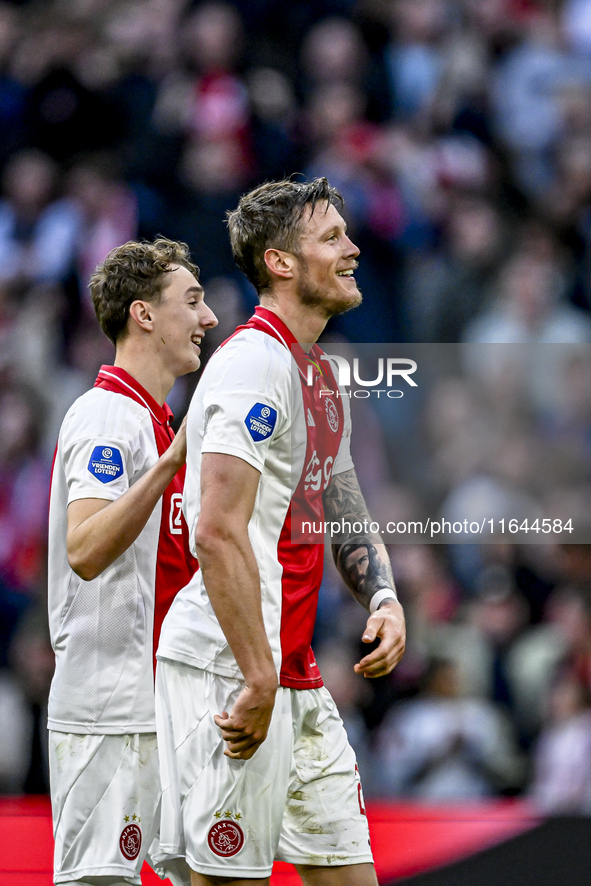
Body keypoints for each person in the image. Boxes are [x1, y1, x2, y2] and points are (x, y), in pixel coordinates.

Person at [155, 177, 406, 886]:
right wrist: (259, 677)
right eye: (331, 237)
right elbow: (216, 530)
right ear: (281, 263)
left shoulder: (320, 374)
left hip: (289, 671)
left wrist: (381, 597)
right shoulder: (249, 367)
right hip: (230, 668)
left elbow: (341, 494)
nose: (353, 248)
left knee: (349, 872)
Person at [47, 237, 218, 886]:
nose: (208, 319)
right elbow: (85, 548)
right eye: (193, 301)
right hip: (109, 712)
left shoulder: (162, 426)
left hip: (171, 709)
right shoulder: (105, 417)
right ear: (143, 314)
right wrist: (168, 469)